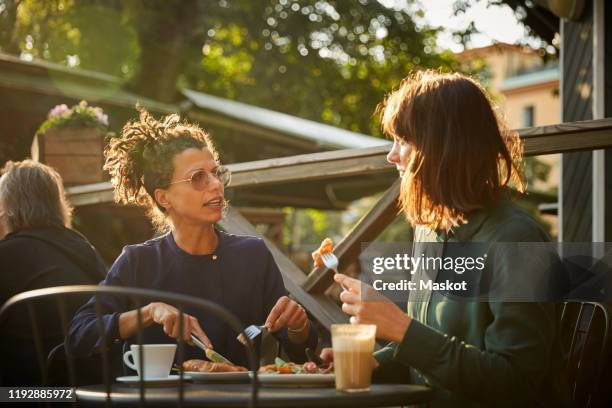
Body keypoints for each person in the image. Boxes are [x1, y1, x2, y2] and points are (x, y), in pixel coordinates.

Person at [320, 71, 570, 407]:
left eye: (403, 140)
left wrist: (402, 329)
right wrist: (375, 362)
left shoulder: (518, 241)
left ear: (442, 147)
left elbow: (516, 382)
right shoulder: (431, 232)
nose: (392, 156)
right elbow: (437, 349)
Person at [68, 109, 317, 369]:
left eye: (215, 173)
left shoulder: (252, 255)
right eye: (198, 177)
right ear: (164, 198)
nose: (215, 185)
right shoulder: (139, 261)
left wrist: (299, 326)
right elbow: (79, 334)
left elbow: (299, 351)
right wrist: (149, 313)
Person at [0, 160, 107, 386]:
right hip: (93, 389)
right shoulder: (84, 248)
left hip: (27, 394)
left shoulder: (6, 255)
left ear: (9, 207)